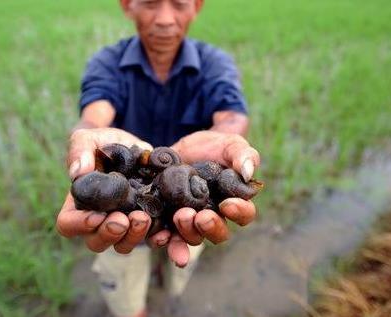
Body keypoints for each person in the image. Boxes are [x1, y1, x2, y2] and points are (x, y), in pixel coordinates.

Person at [56, 0, 261, 316]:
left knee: (180, 258)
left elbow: (232, 114)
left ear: (196, 6)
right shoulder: (107, 62)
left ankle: (167, 286)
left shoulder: (214, 63)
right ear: (128, 6)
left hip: (182, 215)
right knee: (125, 289)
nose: (165, 19)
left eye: (179, 4)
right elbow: (94, 116)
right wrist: (87, 136)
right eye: (150, 3)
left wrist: (225, 137)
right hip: (125, 224)